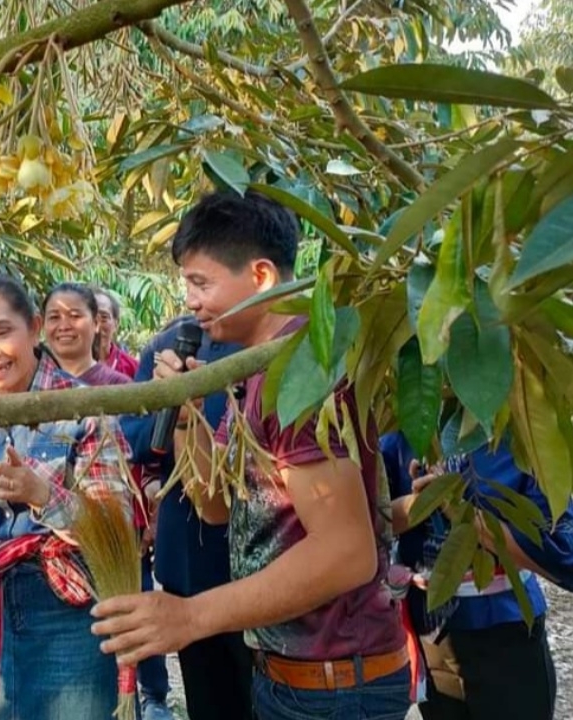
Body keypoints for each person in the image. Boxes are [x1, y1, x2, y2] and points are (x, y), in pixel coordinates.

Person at [91, 190, 409, 720]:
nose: (190, 301)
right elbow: (216, 506)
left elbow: (348, 553)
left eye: (201, 282)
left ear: (260, 276)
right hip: (295, 674)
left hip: (333, 685)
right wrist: (188, 416)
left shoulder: (301, 373)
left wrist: (191, 616)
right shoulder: (257, 370)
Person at [0, 274, 133, 720]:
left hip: (69, 608)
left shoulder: (83, 408)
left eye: (1, 332)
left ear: (34, 328)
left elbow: (116, 525)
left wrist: (41, 494)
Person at [40, 282, 177, 720]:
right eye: (54, 316)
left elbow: (149, 455)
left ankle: (142, 699)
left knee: (127, 620)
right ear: (40, 326)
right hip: (52, 546)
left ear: (96, 323)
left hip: (121, 532)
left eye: (75, 315)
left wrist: (149, 512)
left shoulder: (122, 385)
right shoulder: (28, 389)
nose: (64, 325)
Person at [382, 430, 573, 720]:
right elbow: (372, 524)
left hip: (504, 630)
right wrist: (421, 502)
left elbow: (561, 553)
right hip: (433, 635)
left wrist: (463, 512)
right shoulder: (405, 434)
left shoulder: (523, 440)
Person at [120, 315, 254, 720]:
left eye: (202, 279)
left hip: (257, 557)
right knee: (209, 696)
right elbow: (134, 434)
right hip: (189, 554)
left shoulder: (267, 340)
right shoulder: (170, 345)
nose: (196, 297)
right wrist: (177, 416)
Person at [92, 287, 138, 379]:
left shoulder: (133, 368)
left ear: (116, 324)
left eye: (103, 317)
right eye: (91, 317)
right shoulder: (65, 367)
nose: (97, 326)